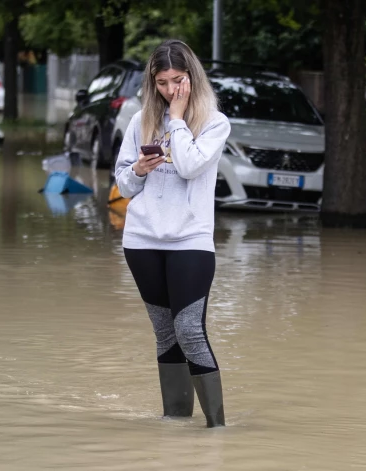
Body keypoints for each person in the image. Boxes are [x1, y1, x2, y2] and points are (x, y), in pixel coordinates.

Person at [114, 39, 231, 428]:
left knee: (188, 329)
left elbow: (189, 167)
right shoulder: (139, 120)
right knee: (165, 333)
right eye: (162, 82)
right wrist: (139, 171)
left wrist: (178, 118)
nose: (169, 90)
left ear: (191, 77)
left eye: (177, 80)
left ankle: (217, 428)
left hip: (190, 240)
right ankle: (175, 423)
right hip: (142, 240)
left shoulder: (214, 122)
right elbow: (123, 185)